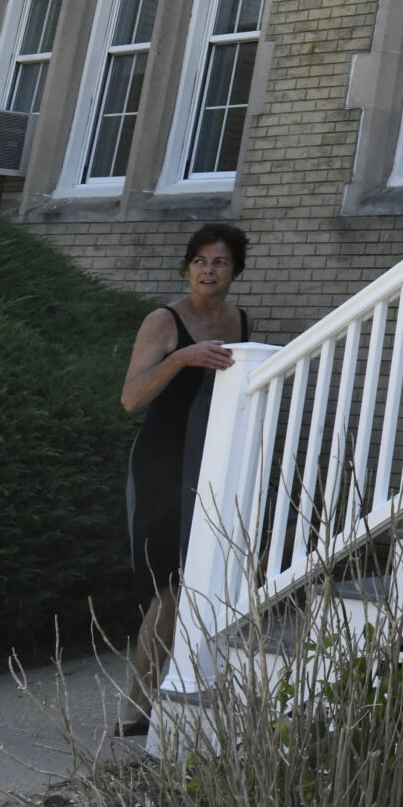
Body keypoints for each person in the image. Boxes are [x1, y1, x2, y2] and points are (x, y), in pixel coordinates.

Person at [119, 223, 252, 735]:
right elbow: (131, 397)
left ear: (234, 270)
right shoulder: (164, 321)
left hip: (212, 463)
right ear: (187, 267)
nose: (208, 270)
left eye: (219, 262)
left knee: (201, 580)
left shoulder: (240, 320)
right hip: (162, 461)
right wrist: (181, 358)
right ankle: (135, 706)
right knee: (168, 584)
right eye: (199, 261)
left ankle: (178, 688)